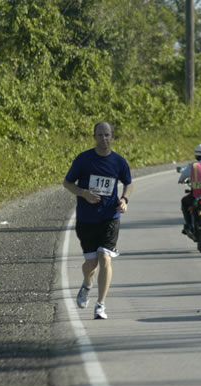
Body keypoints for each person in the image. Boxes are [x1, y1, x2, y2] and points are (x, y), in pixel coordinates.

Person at [63, 121, 133, 319]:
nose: (104, 139)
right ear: (94, 137)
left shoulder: (119, 161)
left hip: (110, 217)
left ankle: (100, 305)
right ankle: (86, 283)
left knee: (105, 258)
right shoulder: (84, 159)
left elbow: (128, 183)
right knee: (91, 264)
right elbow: (67, 183)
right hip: (86, 218)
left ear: (113, 137)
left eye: (107, 135)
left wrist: (125, 200)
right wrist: (84, 193)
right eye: (100, 135)